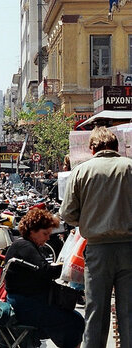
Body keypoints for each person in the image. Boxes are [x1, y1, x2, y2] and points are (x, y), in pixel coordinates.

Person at [60, 126, 132, 348]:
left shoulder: (82, 171)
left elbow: (67, 213)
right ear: (116, 147)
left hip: (98, 250)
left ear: (92, 149)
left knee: (96, 312)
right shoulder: (130, 167)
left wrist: (89, 219)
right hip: (129, 249)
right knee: (128, 312)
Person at [4, 207, 84, 348]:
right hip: (26, 305)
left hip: (31, 301)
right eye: (45, 234)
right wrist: (67, 265)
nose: (48, 238)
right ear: (32, 231)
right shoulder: (24, 246)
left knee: (75, 321)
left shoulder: (28, 246)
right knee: (75, 322)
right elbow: (45, 271)